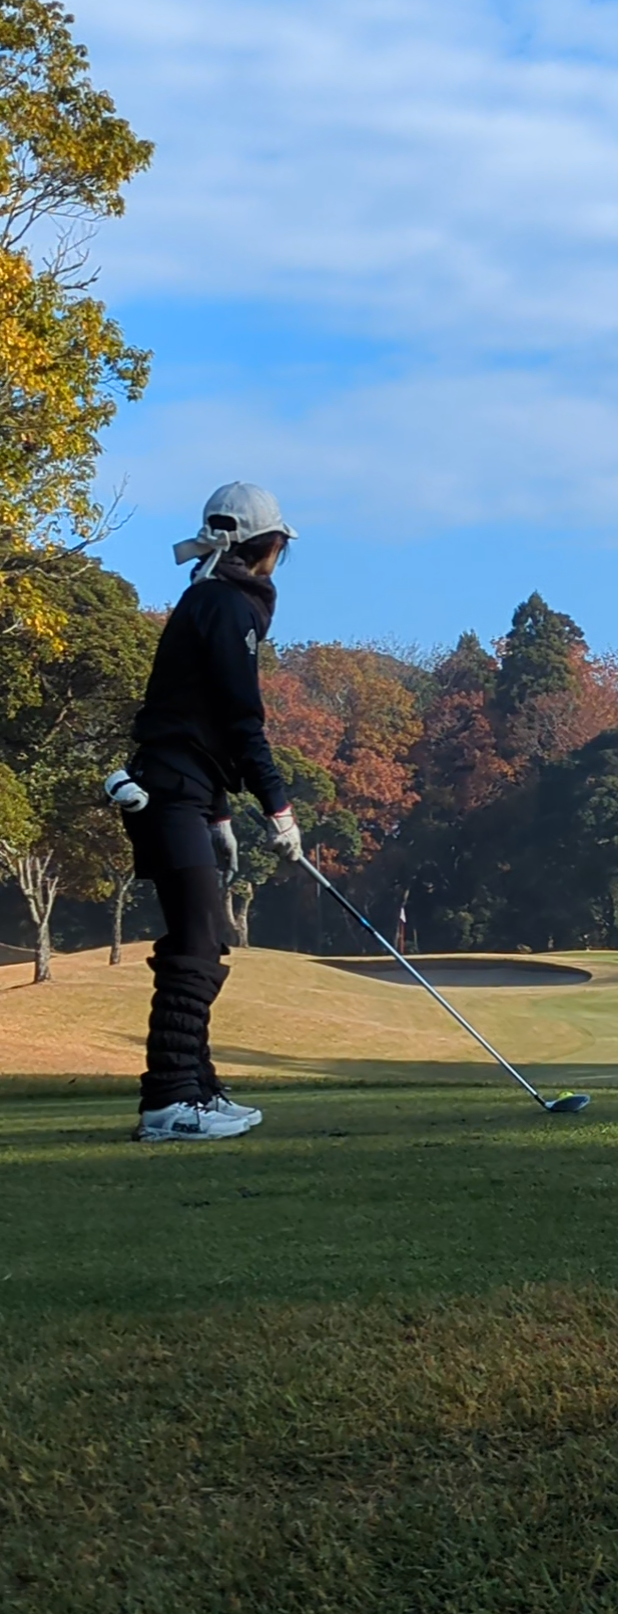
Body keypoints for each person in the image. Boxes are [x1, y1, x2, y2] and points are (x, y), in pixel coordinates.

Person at [117, 482, 304, 1142]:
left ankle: (195, 1087)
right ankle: (169, 1104)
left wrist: (221, 815)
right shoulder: (226, 604)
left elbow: (201, 723)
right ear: (268, 546)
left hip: (184, 791)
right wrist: (279, 808)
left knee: (204, 936)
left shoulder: (213, 597)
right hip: (170, 791)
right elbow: (239, 718)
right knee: (195, 942)